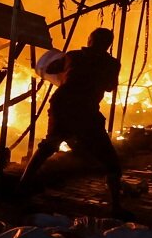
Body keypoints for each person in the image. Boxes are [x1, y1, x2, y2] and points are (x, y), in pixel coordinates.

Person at [19, 28, 132, 220]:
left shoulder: (73, 55)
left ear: (89, 40)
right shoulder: (112, 64)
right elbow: (109, 87)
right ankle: (116, 207)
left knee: (49, 146)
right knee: (111, 163)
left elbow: (50, 69)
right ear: (108, 45)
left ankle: (21, 187)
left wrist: (68, 69)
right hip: (86, 110)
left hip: (63, 105)